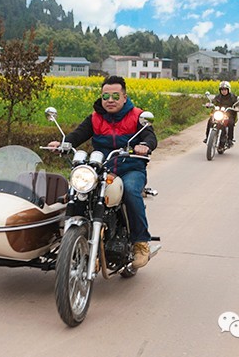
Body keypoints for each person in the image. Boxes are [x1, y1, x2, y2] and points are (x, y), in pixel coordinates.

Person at [48, 75, 157, 269]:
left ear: (124, 97)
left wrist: (145, 145)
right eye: (106, 96)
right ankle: (72, 241)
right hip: (101, 168)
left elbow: (150, 136)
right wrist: (63, 144)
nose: (110, 100)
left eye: (115, 96)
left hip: (130, 168)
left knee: (131, 192)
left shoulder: (137, 116)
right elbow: (78, 134)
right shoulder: (95, 117)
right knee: (78, 192)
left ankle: (140, 242)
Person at [204, 80, 239, 146]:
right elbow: (213, 102)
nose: (223, 91)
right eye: (222, 90)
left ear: (228, 90)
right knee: (210, 121)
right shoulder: (218, 97)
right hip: (219, 113)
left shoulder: (233, 97)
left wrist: (237, 108)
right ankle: (207, 138)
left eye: (225, 89)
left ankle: (230, 140)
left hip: (229, 114)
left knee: (231, 123)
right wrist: (209, 104)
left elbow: (238, 104)